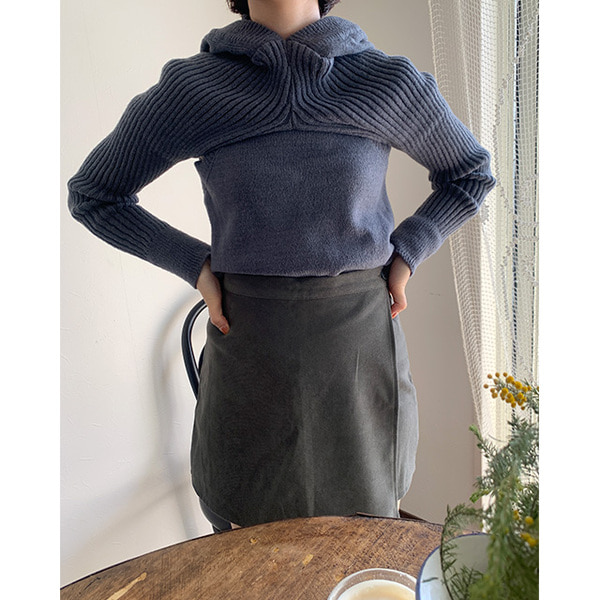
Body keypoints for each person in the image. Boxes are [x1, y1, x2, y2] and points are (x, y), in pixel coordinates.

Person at [67, 0, 495, 532]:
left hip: (357, 354)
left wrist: (408, 251)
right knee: (246, 543)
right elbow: (95, 194)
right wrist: (195, 265)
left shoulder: (388, 83)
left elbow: (470, 173)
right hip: (249, 353)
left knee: (361, 540)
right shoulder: (194, 90)